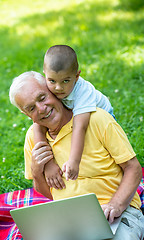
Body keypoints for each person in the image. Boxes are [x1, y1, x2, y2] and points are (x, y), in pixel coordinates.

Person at [9, 71, 144, 239]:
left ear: (53, 90)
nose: (41, 109)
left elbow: (134, 169)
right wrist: (37, 171)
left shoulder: (97, 119)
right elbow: (49, 193)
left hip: (118, 214)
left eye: (42, 98)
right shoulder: (33, 138)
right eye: (31, 108)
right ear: (26, 114)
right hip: (72, 222)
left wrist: (116, 205)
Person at [33, 45, 115, 181]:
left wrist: (74, 161)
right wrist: (48, 164)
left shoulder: (83, 92)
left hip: (101, 119)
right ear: (44, 75)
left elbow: (80, 127)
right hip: (75, 117)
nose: (58, 88)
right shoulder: (48, 88)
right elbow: (37, 125)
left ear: (77, 76)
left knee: (91, 142)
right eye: (52, 80)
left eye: (66, 81)